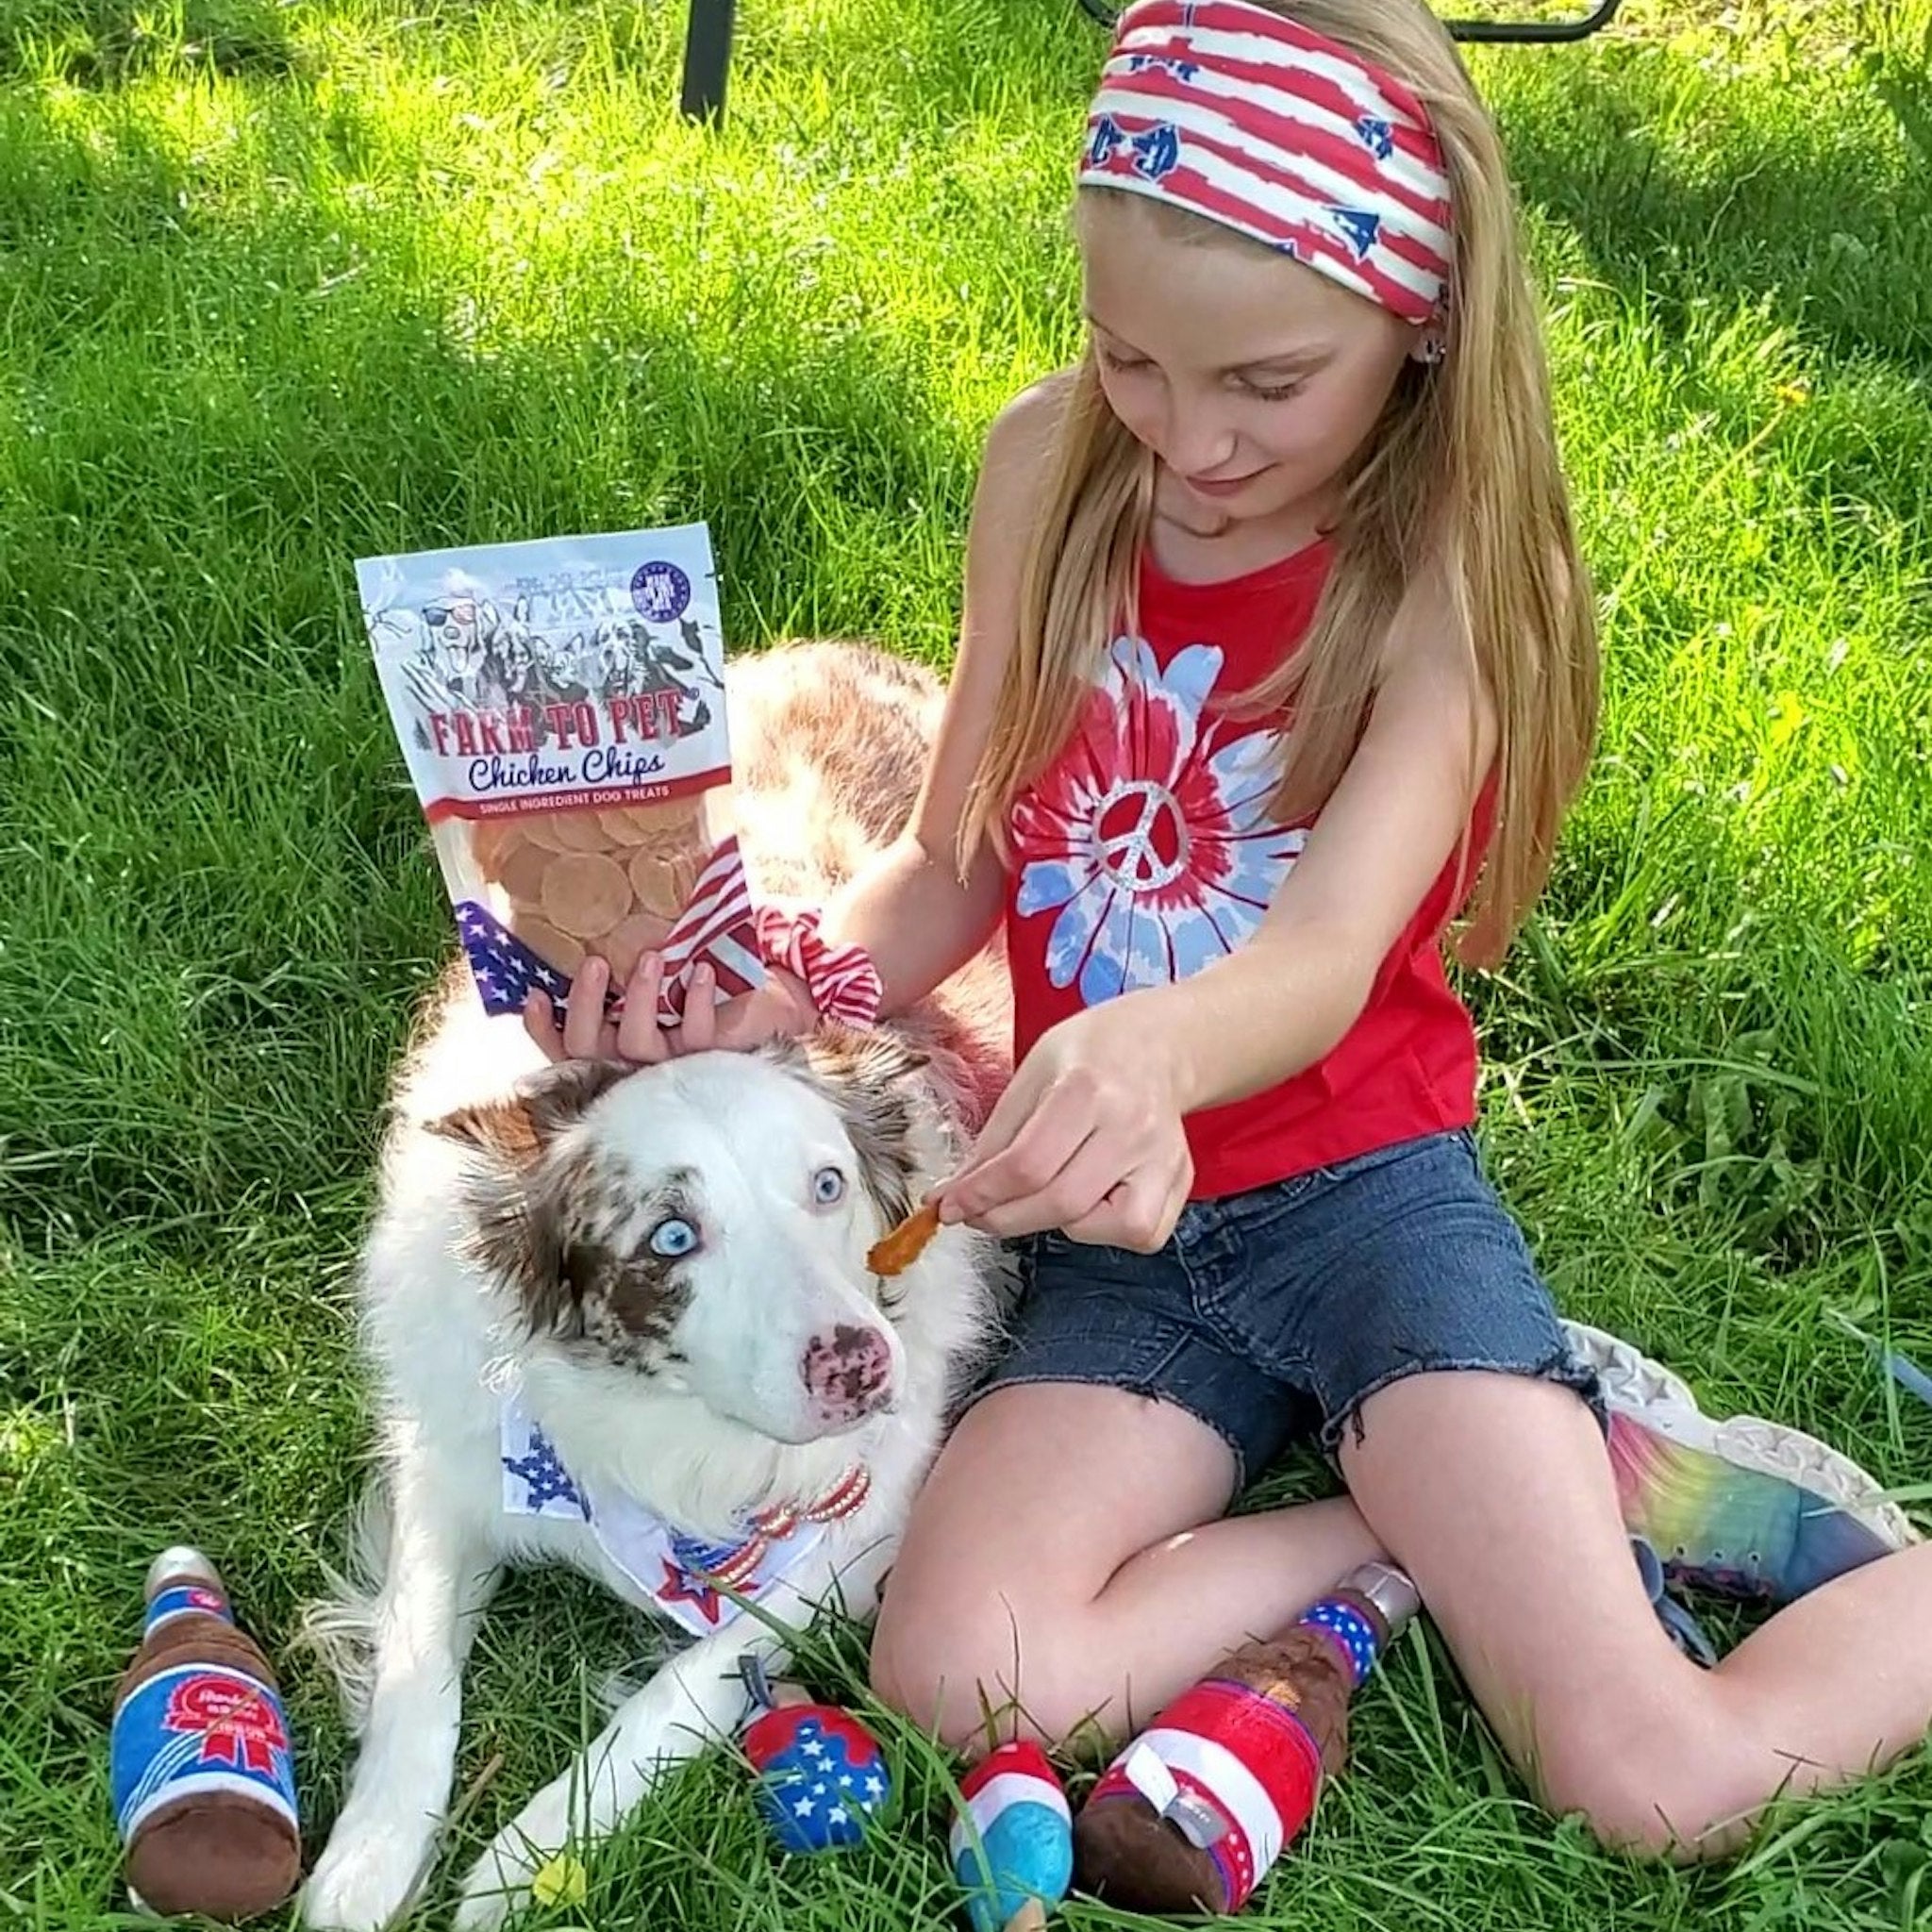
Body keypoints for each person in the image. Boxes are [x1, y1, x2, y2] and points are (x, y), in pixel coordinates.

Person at [526, 0, 1930, 1865]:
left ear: (1413, 319)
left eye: (1263, 384)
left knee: (1652, 1780)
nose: (1189, 438)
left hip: (1365, 1208)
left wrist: (1139, 1051)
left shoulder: (1443, 580)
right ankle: (1476, 1495)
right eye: (1133, 360)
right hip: (1117, 1240)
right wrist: (786, 982)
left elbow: (1322, 959)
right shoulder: (1050, 468)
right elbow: (956, 857)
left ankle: (1517, 1462)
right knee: (966, 1673)